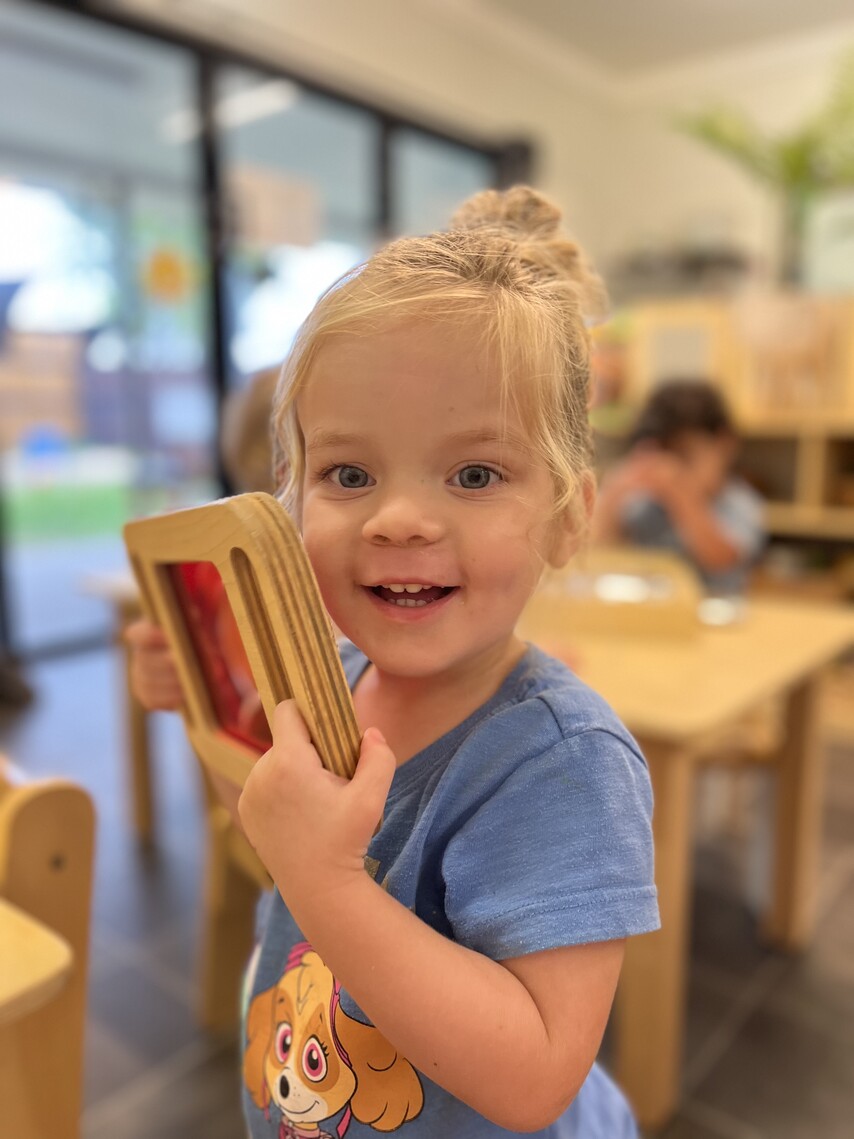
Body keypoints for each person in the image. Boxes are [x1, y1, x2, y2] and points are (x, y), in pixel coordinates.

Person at [126, 185, 659, 1138]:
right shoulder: (332, 670)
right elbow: (274, 833)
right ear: (291, 499)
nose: (399, 518)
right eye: (350, 473)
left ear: (570, 516)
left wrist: (328, 881)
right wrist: (204, 701)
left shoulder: (563, 761)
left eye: (475, 473)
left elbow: (536, 1074)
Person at [592, 379, 765, 595]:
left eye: (685, 456)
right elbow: (598, 549)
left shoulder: (739, 501)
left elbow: (722, 559)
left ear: (724, 443)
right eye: (663, 454)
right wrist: (614, 493)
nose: (670, 469)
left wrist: (683, 496)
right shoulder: (643, 503)